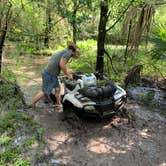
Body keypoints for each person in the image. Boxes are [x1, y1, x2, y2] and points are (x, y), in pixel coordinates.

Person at [31, 41, 80, 109]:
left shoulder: (65, 51)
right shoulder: (68, 53)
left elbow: (60, 63)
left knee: (57, 89)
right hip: (49, 74)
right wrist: (68, 75)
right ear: (74, 51)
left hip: (52, 74)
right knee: (44, 91)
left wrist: (67, 72)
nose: (77, 56)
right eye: (78, 54)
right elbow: (62, 65)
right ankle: (33, 104)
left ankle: (58, 104)